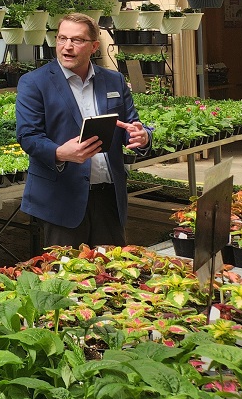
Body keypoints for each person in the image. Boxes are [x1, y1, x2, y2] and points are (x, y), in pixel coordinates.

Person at [16, 12, 152, 247]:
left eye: (77, 40)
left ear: (94, 46)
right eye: (61, 38)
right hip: (62, 198)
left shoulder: (114, 81)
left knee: (112, 275)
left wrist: (142, 136)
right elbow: (28, 136)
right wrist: (60, 152)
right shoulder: (34, 83)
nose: (67, 46)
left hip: (109, 196)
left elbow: (132, 123)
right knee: (66, 275)